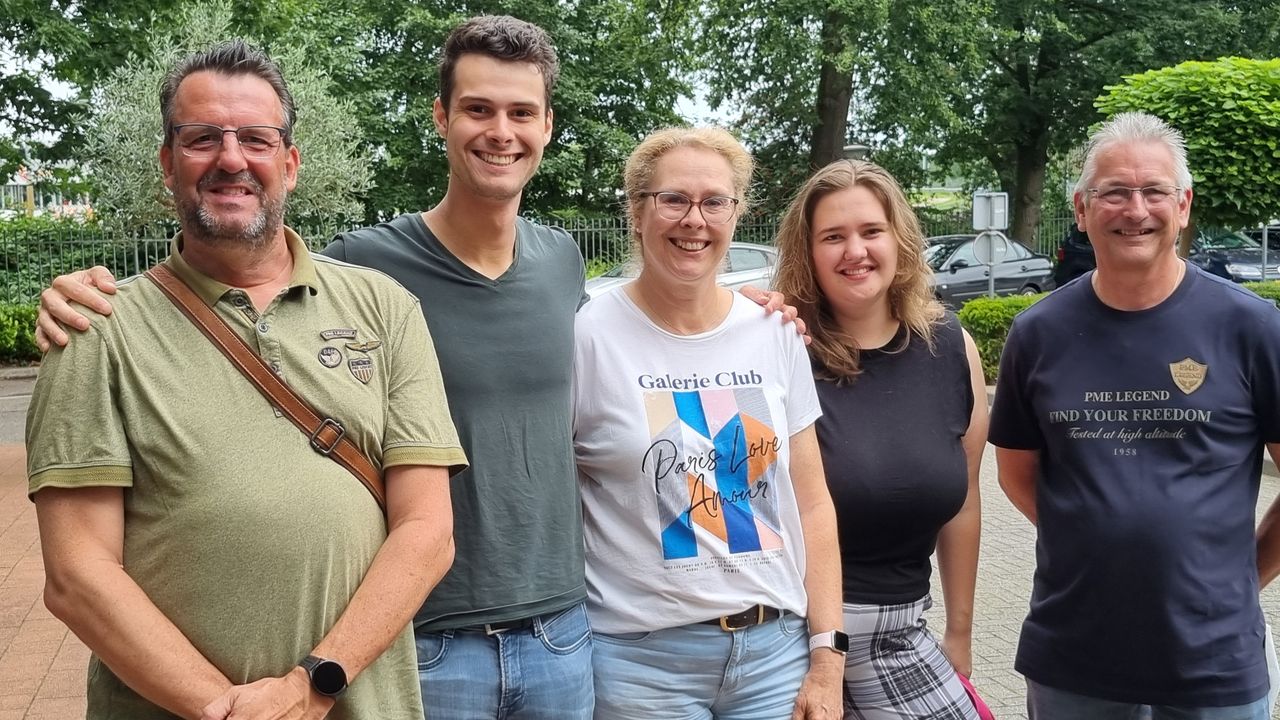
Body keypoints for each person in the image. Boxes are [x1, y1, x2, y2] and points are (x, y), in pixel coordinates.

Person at [34, 16, 797, 720]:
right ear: (441, 118)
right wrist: (87, 296)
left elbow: (653, 322)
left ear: (546, 127)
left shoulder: (562, 262)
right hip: (424, 643)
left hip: (564, 632)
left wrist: (751, 312)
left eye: (521, 112)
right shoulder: (369, 272)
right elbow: (253, 282)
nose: (500, 132)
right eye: (477, 109)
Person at [25, 40, 465, 720]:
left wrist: (312, 684)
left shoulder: (385, 308)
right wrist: (231, 710)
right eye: (202, 138)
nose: (231, 159)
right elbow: (78, 578)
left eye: (256, 138)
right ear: (167, 164)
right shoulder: (96, 330)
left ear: (288, 164)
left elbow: (428, 531)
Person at [990, 111, 1280, 719]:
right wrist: (1092, 538)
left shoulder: (1253, 328)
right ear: (1081, 208)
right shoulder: (1037, 333)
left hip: (1215, 662)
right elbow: (1016, 474)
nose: (1135, 209)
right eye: (1114, 192)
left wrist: (1240, 575)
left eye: (1154, 191)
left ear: (1184, 204)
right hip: (1073, 655)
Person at [572, 127, 844, 720]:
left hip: (775, 656)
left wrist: (828, 655)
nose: (694, 219)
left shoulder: (774, 333)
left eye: (714, 202)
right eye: (673, 199)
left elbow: (813, 502)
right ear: (636, 212)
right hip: (641, 667)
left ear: (735, 214)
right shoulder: (586, 336)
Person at [771, 159, 986, 719]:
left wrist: (958, 632)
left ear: (900, 240)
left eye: (871, 231)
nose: (855, 251)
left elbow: (964, 498)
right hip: (797, 638)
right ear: (808, 253)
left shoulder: (951, 346)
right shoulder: (778, 347)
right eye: (832, 237)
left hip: (903, 631)